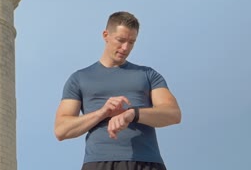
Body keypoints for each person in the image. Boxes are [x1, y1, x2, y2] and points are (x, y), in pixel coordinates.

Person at [54, 11, 181, 170]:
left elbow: (173, 114)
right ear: (106, 35)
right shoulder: (79, 78)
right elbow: (61, 130)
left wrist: (132, 114)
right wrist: (102, 113)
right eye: (120, 40)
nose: (125, 47)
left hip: (147, 162)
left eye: (131, 42)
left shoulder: (148, 75)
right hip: (98, 163)